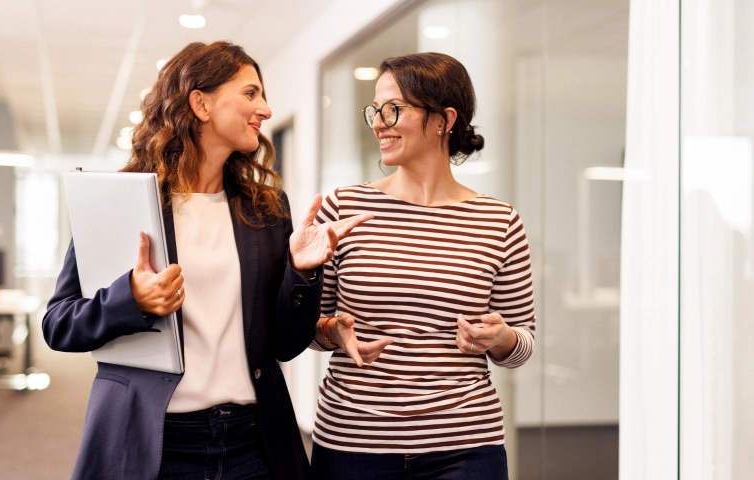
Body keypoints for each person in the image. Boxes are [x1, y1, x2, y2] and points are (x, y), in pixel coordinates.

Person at [43, 41, 372, 480]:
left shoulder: (266, 209)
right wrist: (131, 299)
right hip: (152, 440)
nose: (267, 110)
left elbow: (285, 345)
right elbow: (59, 323)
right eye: (251, 94)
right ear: (200, 103)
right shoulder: (120, 202)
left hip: (251, 441)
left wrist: (303, 271)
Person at [309, 52, 537, 480]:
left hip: (466, 447)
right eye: (374, 109)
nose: (378, 122)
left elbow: (522, 343)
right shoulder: (344, 207)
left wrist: (501, 336)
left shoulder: (499, 220)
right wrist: (331, 331)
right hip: (354, 442)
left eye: (393, 108)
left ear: (443, 120)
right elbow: (306, 326)